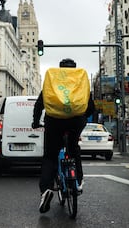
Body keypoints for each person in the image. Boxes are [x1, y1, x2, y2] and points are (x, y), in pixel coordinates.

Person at [32, 58, 95, 214]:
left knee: (50, 156)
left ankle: (46, 189)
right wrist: (81, 118)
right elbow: (90, 107)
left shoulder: (53, 80)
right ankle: (78, 181)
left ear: (60, 69)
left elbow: (40, 103)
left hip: (54, 121)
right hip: (76, 121)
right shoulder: (80, 81)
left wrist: (35, 121)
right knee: (73, 148)